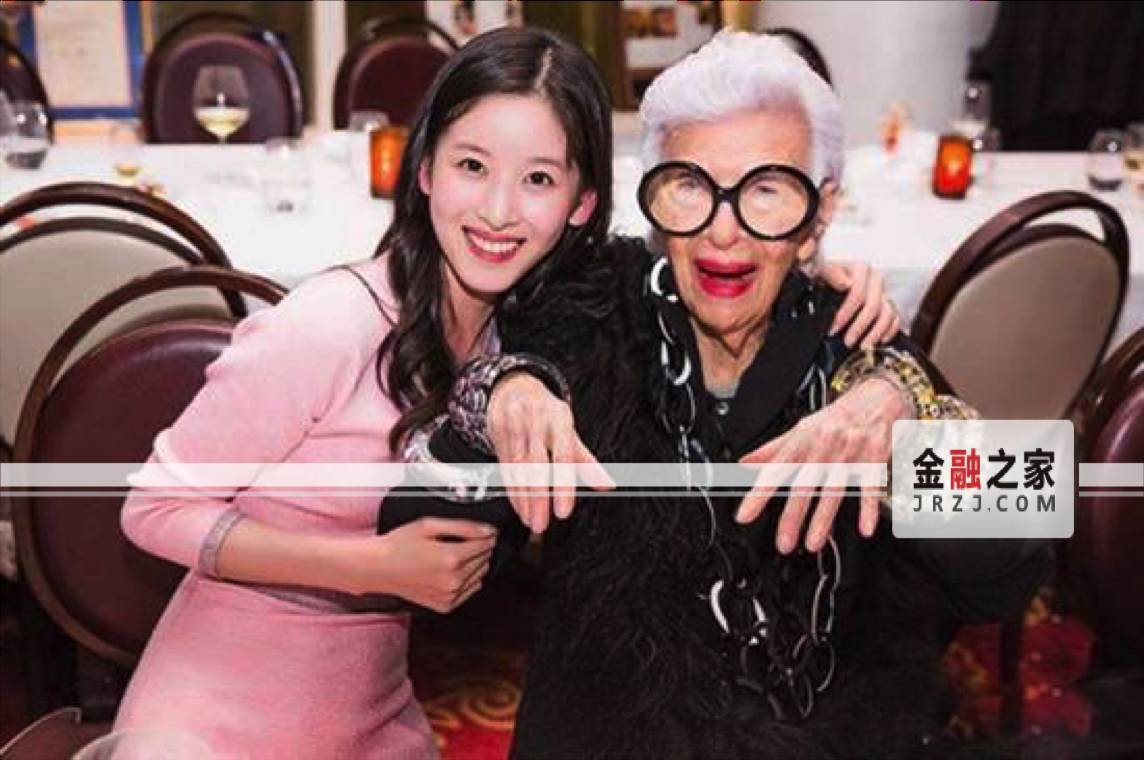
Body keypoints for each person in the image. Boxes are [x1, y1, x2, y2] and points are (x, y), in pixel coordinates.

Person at [110, 27, 894, 758]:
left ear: (582, 203)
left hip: (372, 723)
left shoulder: (533, 323)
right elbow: (151, 507)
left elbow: (973, 510)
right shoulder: (336, 323)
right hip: (213, 722)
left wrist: (897, 386)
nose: (496, 210)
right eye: (471, 166)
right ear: (423, 168)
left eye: (539, 179)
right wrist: (371, 561)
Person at [390, 31, 1051, 758]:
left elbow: (1017, 561)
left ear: (819, 215)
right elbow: (414, 532)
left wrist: (911, 428)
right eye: (691, 186)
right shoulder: (584, 325)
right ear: (654, 200)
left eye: (767, 190)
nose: (723, 231)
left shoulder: (862, 350)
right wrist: (490, 396)